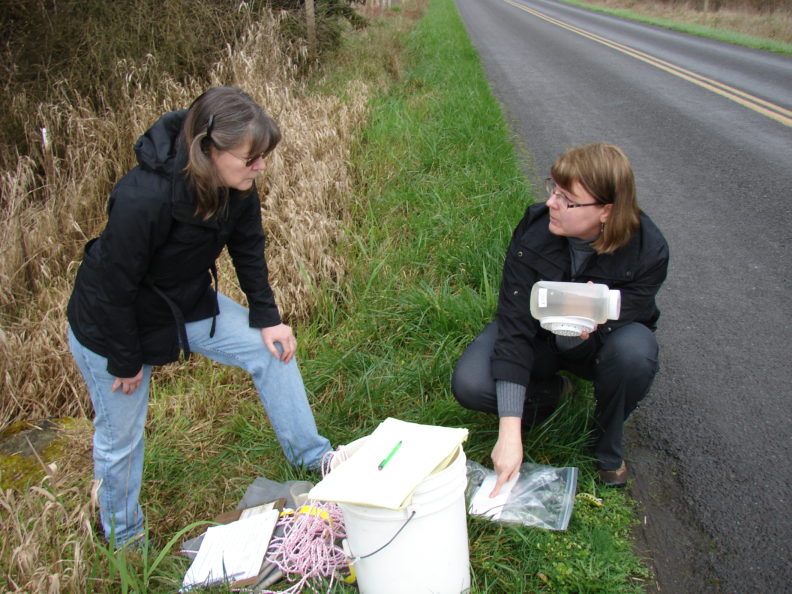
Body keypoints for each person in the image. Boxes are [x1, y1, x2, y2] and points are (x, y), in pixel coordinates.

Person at [67, 86, 332, 547]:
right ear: (208, 148)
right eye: (252, 158)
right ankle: (125, 541)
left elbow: (248, 248)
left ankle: (315, 457)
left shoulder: (238, 186)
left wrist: (268, 318)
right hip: (110, 324)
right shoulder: (143, 196)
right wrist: (125, 359)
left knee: (270, 351)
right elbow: (115, 287)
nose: (260, 167)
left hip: (185, 304)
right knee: (121, 436)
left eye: (263, 157)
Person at [452, 143, 668, 495]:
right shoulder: (535, 229)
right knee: (472, 383)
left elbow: (626, 317)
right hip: (539, 341)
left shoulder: (648, 249)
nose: (552, 202)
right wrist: (510, 433)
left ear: (606, 212)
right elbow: (514, 324)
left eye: (567, 199)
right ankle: (553, 395)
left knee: (635, 352)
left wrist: (579, 328)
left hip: (600, 345)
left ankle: (606, 442)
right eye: (553, 188)